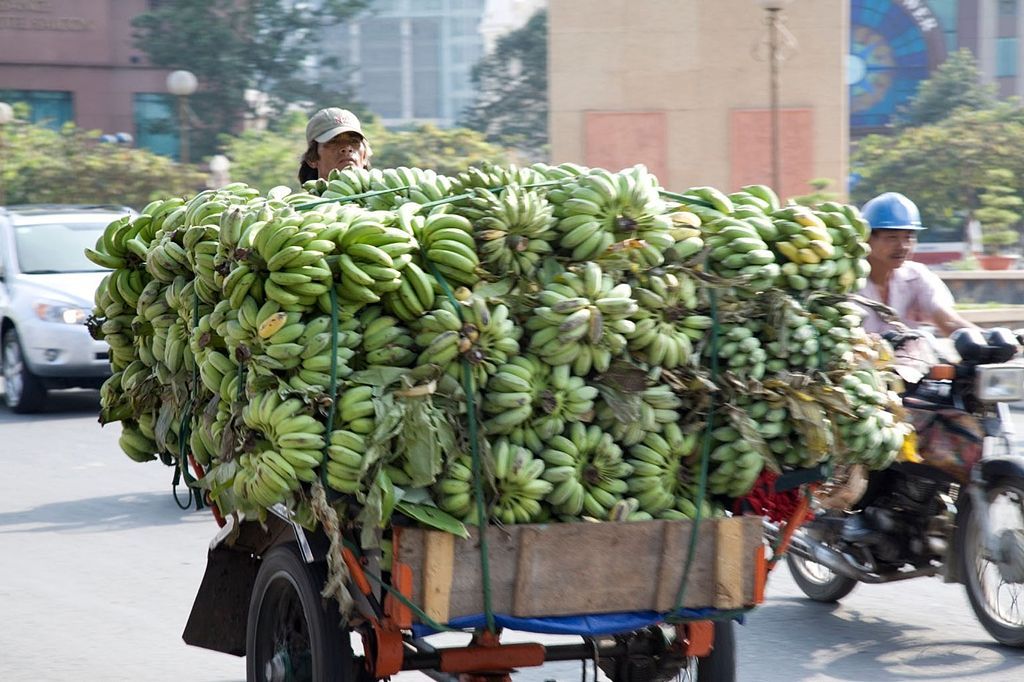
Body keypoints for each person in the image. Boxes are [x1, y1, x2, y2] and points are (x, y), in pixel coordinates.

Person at [856, 192, 976, 337]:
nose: (903, 246)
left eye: (909, 237)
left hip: (910, 359)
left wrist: (988, 338)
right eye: (892, 237)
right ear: (866, 238)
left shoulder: (916, 276)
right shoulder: (847, 285)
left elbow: (948, 321)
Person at [298, 107, 373, 183]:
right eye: (333, 142)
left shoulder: (382, 193)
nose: (347, 148)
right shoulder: (307, 195)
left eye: (354, 141)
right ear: (312, 159)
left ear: (364, 157)